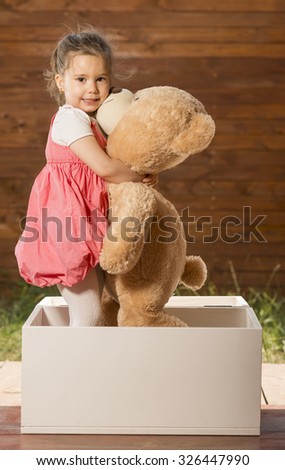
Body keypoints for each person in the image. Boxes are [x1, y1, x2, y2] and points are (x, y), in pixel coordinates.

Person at [15, 27, 156, 326]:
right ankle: (68, 370)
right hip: (66, 229)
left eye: (100, 79)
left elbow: (115, 166)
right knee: (88, 313)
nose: (92, 89)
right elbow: (105, 168)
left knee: (105, 306)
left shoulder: (93, 121)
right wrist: (136, 174)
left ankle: (96, 368)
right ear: (61, 82)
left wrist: (138, 175)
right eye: (81, 80)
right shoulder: (69, 119)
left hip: (88, 225)